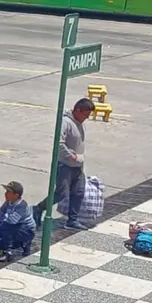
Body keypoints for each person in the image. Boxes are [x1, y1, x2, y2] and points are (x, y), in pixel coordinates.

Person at [33, 98, 95, 230]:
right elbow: (59, 143)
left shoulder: (80, 123)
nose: (86, 118)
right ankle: (38, 208)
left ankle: (72, 220)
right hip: (65, 165)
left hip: (78, 165)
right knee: (61, 193)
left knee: (78, 192)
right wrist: (70, 156)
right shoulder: (65, 123)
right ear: (77, 110)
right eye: (85, 114)